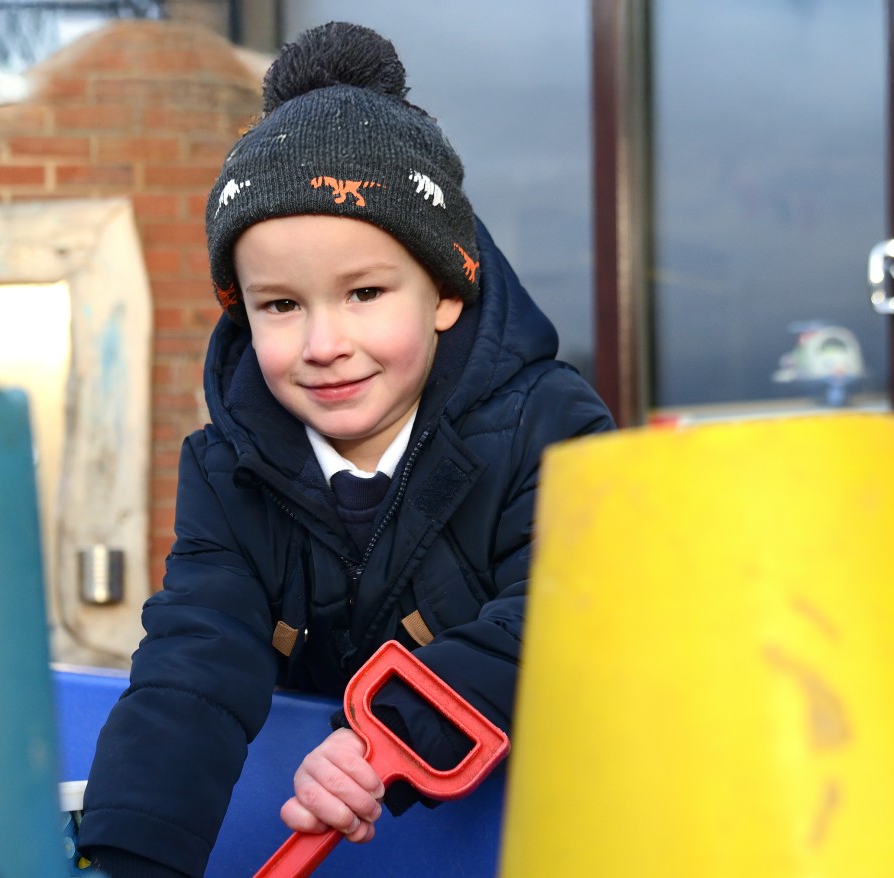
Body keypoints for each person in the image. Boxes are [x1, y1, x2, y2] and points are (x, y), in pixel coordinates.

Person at [77, 20, 614, 877]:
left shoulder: (547, 428)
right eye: (281, 306)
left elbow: (562, 620)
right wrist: (125, 853)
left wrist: (386, 735)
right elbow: (196, 660)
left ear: (445, 289)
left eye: (364, 292)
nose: (324, 342)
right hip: (308, 827)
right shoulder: (228, 470)